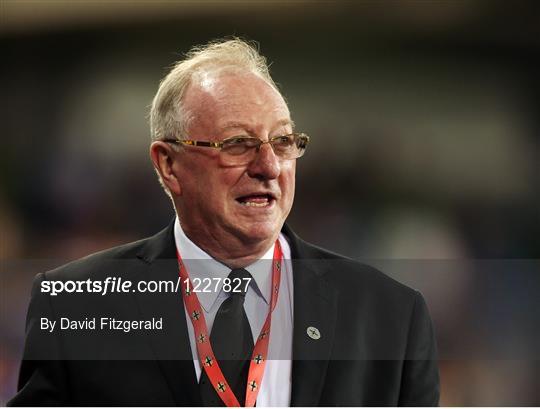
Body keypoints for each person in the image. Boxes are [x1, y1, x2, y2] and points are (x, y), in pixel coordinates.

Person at [9, 38, 439, 406]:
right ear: (169, 165)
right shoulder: (76, 306)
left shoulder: (391, 318)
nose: (269, 166)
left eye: (283, 141)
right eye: (238, 143)